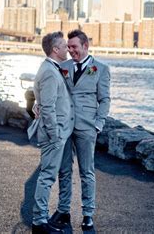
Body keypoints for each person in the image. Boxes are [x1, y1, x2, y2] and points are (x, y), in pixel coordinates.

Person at [48, 29, 111, 232]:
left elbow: (105, 99)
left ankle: (88, 215)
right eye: (69, 46)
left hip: (87, 128)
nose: (71, 50)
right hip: (65, 127)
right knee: (64, 171)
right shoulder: (62, 66)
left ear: (85, 46)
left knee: (87, 172)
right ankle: (63, 211)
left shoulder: (100, 69)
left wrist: (98, 123)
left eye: (74, 46)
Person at [30, 31, 75, 234]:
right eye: (65, 46)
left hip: (62, 133)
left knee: (63, 173)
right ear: (56, 50)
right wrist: (56, 135)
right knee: (47, 177)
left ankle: (59, 214)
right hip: (55, 135)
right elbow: (47, 108)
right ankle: (39, 222)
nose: (68, 49)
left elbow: (45, 102)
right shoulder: (49, 71)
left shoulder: (54, 68)